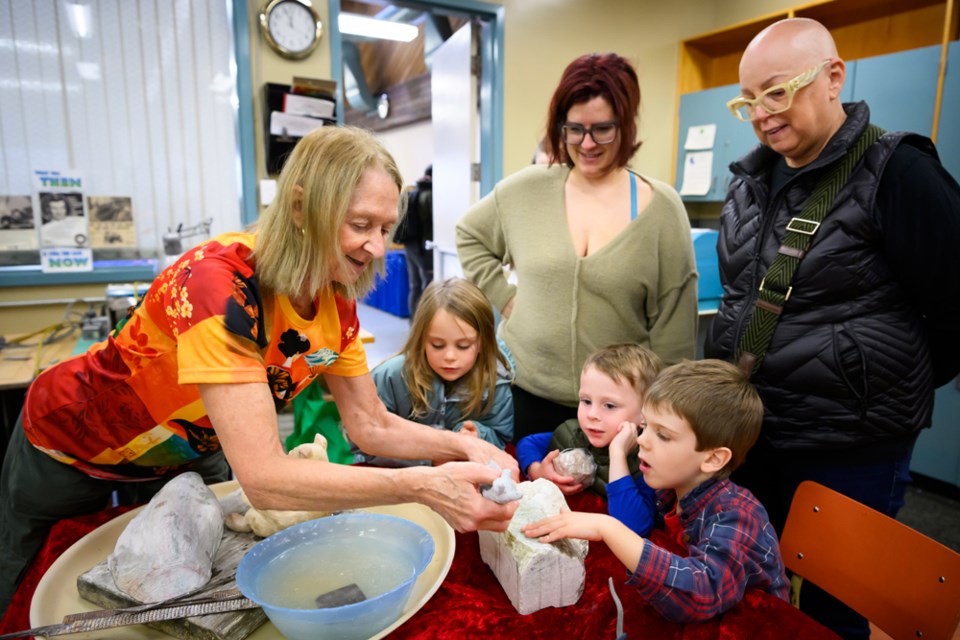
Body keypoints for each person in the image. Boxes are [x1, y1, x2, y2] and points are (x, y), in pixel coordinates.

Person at [0, 126, 519, 617]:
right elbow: (266, 477)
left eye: (385, 229)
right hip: (73, 445)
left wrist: (463, 446)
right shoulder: (217, 285)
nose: (377, 247)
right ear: (300, 207)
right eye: (360, 225)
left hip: (183, 455)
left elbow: (370, 424)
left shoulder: (335, 306)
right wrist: (425, 487)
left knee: (183, 590)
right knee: (24, 578)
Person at [702, 18, 960, 639]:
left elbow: (953, 309)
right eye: (748, 101)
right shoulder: (748, 182)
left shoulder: (899, 171)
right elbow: (742, 297)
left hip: (851, 445)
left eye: (778, 91)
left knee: (831, 607)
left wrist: (879, 383)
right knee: (752, 586)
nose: (762, 113)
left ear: (833, 77)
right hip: (755, 434)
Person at [457, 53, 698, 443]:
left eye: (602, 129)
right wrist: (505, 298)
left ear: (626, 125)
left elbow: (674, 334)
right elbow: (470, 234)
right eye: (574, 129)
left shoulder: (661, 208)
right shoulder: (526, 190)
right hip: (525, 393)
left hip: (620, 415)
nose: (587, 144)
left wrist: (660, 418)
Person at [522, 359, 788, 624]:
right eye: (646, 426)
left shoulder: (738, 516)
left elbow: (700, 594)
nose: (640, 440)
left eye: (663, 435)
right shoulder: (669, 490)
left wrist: (608, 528)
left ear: (713, 459)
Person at [353, 277, 515, 466]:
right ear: (421, 339)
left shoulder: (496, 382)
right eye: (437, 345)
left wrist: (479, 434)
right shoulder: (390, 377)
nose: (450, 356)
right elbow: (362, 442)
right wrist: (429, 458)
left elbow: (502, 437)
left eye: (463, 346)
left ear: (482, 343)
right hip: (394, 481)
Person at [516, 343, 660, 535]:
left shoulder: (649, 461)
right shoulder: (574, 432)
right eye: (586, 401)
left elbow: (634, 526)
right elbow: (528, 444)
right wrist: (537, 471)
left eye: (609, 406)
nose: (592, 414)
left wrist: (617, 453)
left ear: (644, 414)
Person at [393, 165, 433, 318]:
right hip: (424, 248)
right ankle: (423, 322)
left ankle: (414, 321)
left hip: (409, 246)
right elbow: (428, 227)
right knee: (428, 285)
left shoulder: (413, 192)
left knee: (414, 284)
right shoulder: (430, 195)